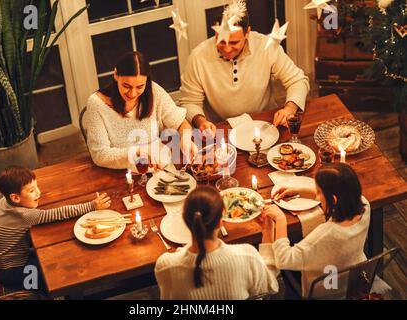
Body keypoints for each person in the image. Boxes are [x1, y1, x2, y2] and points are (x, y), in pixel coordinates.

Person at [180, 0, 310, 137]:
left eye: (234, 42)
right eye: (221, 41)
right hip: (221, 129)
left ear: (247, 32)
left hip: (265, 123)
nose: (227, 49)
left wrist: (290, 108)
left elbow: (297, 80)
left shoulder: (266, 46)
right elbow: (189, 102)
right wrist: (200, 121)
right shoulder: (198, 56)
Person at [0, 166, 111, 292]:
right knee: (55, 273)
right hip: (14, 272)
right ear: (15, 198)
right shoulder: (25, 215)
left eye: (37, 187)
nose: (39, 192)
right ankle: (46, 293)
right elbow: (58, 213)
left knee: (51, 255)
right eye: (32, 191)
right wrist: (92, 205)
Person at [258, 163, 370, 298]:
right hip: (351, 279)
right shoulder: (364, 206)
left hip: (325, 291)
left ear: (333, 199)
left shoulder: (326, 235)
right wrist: (302, 191)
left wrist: (281, 219)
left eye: (318, 192)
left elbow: (284, 260)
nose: (316, 194)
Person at [154, 186, 278, 299]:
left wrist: (181, 252)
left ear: (185, 220)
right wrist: (268, 230)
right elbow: (270, 285)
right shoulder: (247, 256)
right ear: (220, 222)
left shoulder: (166, 265)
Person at [84, 51, 197, 170]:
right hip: (120, 174)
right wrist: (136, 152)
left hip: (159, 167)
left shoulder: (153, 90)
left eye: (139, 87)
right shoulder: (96, 103)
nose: (132, 93)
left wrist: (186, 139)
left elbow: (180, 123)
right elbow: (100, 154)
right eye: (126, 86)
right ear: (116, 75)